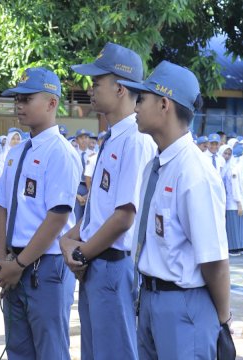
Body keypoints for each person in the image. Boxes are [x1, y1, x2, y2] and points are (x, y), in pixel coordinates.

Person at [118, 61, 231, 359]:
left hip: (184, 305)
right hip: (150, 298)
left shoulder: (195, 172)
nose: (135, 107)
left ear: (164, 104)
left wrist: (222, 321)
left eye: (141, 99)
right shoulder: (154, 166)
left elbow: (214, 261)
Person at [60, 42, 156, 360]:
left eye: (97, 81)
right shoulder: (113, 137)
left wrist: (82, 253)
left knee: (114, 351)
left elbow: (124, 216)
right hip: (97, 262)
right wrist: (70, 238)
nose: (91, 88)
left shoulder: (136, 140)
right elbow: (98, 211)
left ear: (119, 88)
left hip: (113, 263)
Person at [0, 67, 81, 359]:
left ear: (52, 103)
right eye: (17, 99)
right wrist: (3, 258)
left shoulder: (61, 152)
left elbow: (56, 218)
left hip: (45, 266)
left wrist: (18, 264)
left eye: (27, 99)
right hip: (15, 261)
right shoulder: (17, 152)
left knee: (50, 349)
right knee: (18, 348)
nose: (19, 106)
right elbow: (3, 207)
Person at [74, 128, 94, 220]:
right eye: (81, 138)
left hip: (89, 187)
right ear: (76, 140)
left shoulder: (94, 155)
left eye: (86, 137)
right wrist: (76, 195)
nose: (84, 140)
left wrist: (90, 192)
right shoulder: (73, 154)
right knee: (76, 217)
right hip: (76, 187)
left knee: (88, 217)